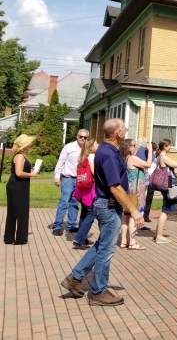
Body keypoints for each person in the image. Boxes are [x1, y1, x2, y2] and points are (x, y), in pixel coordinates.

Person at [60, 118, 144, 306]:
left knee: (101, 245)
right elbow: (114, 187)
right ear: (118, 133)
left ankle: (75, 278)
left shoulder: (106, 151)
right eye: (125, 129)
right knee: (106, 250)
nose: (126, 132)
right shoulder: (109, 154)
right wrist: (134, 211)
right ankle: (98, 292)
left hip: (106, 204)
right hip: (108, 205)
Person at [52, 129, 89, 236]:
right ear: (77, 136)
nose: (82, 139)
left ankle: (71, 225)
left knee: (74, 203)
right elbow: (61, 161)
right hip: (68, 178)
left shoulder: (87, 149)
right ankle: (57, 225)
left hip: (80, 180)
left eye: (85, 137)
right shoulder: (69, 147)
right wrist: (57, 176)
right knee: (64, 202)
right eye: (80, 137)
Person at [3, 134, 39, 245]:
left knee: (20, 210)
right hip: (17, 185)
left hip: (22, 185)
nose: (30, 145)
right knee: (17, 211)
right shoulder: (19, 156)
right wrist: (32, 174)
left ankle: (15, 237)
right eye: (28, 143)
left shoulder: (23, 155)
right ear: (23, 146)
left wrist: (31, 170)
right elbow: (18, 173)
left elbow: (23, 169)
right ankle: (16, 238)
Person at [153, 139, 177, 244]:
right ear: (164, 146)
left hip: (167, 185)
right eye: (169, 146)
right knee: (166, 210)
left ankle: (157, 234)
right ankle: (159, 236)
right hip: (169, 185)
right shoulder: (163, 157)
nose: (171, 148)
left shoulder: (161, 157)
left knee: (166, 210)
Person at [118, 138, 152, 249]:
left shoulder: (125, 158)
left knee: (126, 215)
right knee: (134, 216)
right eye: (133, 145)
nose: (135, 147)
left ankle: (123, 241)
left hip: (128, 191)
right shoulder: (132, 158)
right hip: (136, 192)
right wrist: (150, 151)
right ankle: (132, 242)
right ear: (128, 147)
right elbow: (148, 164)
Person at [72, 137, 99, 250]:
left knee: (84, 213)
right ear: (92, 146)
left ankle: (82, 236)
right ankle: (79, 239)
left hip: (82, 188)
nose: (98, 145)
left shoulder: (82, 157)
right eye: (97, 144)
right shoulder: (92, 157)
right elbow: (93, 172)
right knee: (91, 214)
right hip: (90, 189)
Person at [143, 141, 158, 223]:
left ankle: (146, 215)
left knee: (149, 199)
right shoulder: (146, 156)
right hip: (146, 179)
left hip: (152, 180)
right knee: (143, 198)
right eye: (153, 149)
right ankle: (142, 215)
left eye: (155, 149)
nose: (154, 151)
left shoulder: (155, 158)